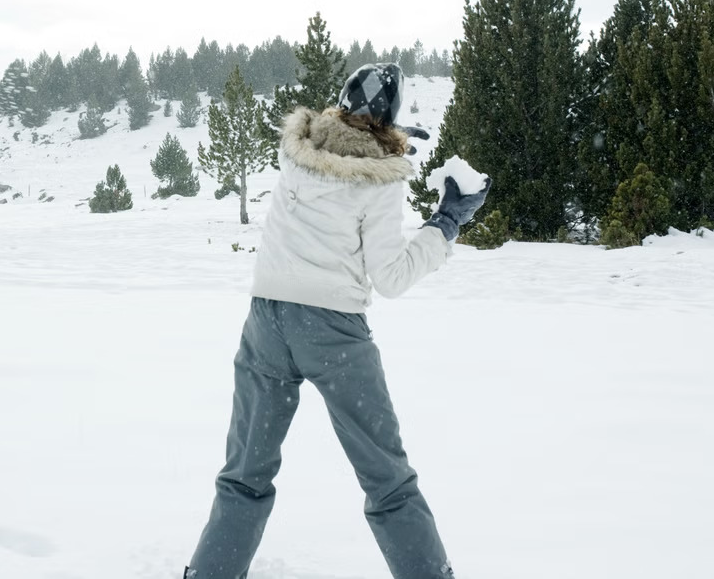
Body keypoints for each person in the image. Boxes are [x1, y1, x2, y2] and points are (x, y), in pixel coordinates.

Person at [185, 64, 491, 579]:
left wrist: (382, 135)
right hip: (332, 333)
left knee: (244, 474)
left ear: (342, 103)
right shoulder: (379, 182)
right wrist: (447, 221)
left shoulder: (295, 151)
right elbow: (391, 277)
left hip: (267, 322)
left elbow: (339, 145)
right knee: (387, 479)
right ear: (388, 119)